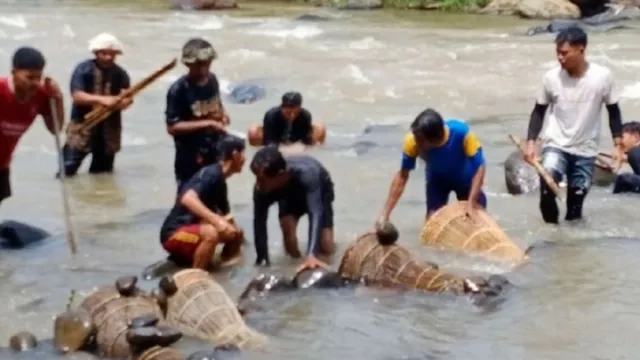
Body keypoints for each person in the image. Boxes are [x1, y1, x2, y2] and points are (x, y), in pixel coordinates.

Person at [525, 27, 624, 223]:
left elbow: (613, 111)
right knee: (546, 190)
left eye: (564, 53)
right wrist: (531, 143)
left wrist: (618, 145)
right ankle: (551, 236)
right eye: (557, 53)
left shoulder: (602, 77)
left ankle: (569, 247)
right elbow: (538, 112)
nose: (560, 58)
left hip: (586, 150)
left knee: (574, 210)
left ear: (581, 49)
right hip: (556, 144)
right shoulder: (551, 78)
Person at [377, 108, 486, 227]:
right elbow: (402, 177)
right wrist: (385, 215)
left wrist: (470, 204)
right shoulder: (412, 141)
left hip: (466, 180)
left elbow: (479, 167)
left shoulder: (462, 134)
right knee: (432, 223)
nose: (416, 143)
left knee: (476, 221)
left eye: (420, 140)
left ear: (434, 139)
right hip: (437, 181)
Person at [159, 134, 245, 270]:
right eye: (243, 153)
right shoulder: (211, 174)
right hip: (174, 233)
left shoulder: (220, 182)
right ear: (235, 155)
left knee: (236, 232)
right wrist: (217, 221)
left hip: (195, 230)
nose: (244, 159)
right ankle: (197, 276)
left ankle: (223, 271)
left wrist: (239, 238)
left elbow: (227, 217)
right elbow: (187, 198)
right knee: (211, 233)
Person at [250, 146, 335, 271]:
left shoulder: (309, 174)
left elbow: (316, 212)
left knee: (326, 245)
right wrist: (262, 259)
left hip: (319, 191)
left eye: (262, 180)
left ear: (281, 174)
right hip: (288, 197)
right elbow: (259, 224)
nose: (258, 185)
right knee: (288, 233)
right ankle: (296, 266)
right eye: (256, 178)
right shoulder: (262, 190)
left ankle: (314, 260)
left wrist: (311, 254)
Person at [1, 47, 64, 206]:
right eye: (29, 77)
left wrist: (58, 99)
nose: (35, 83)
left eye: (38, 77)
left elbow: (55, 130)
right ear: (14, 72)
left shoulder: (42, 94)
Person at [62, 33, 132, 177]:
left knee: (102, 174)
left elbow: (128, 97)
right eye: (104, 53)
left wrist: (121, 103)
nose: (108, 57)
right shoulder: (83, 69)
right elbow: (77, 96)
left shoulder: (120, 73)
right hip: (82, 127)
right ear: (96, 53)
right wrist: (103, 100)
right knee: (67, 169)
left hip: (109, 130)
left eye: (112, 54)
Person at [166, 38, 230, 194]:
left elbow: (217, 103)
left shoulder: (212, 80)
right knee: (189, 198)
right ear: (188, 65)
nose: (202, 70)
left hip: (214, 148)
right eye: (197, 65)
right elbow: (172, 127)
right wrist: (207, 123)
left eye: (206, 64)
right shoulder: (178, 90)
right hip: (189, 154)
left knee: (215, 196)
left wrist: (223, 115)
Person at [247, 91, 326, 148]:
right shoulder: (271, 115)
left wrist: (299, 147)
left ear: (300, 107)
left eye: (294, 111)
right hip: (275, 139)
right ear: (282, 107)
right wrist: (284, 150)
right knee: (253, 132)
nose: (291, 115)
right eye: (288, 112)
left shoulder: (305, 115)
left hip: (295, 140)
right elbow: (269, 141)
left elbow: (305, 139)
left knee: (320, 128)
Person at [612, 121, 640, 194]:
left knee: (624, 178)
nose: (619, 142)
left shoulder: (634, 153)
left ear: (636, 137)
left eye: (622, 137)